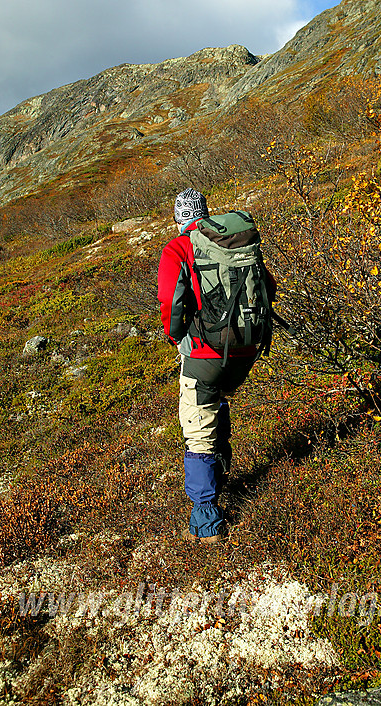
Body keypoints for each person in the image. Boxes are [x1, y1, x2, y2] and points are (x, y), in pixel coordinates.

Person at [157, 188, 276, 544]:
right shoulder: (233, 243)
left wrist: (177, 337)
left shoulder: (178, 248)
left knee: (198, 433)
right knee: (218, 402)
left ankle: (206, 523)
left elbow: (170, 301)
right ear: (206, 214)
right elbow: (269, 285)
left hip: (206, 354)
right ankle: (223, 479)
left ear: (178, 219)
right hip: (245, 350)